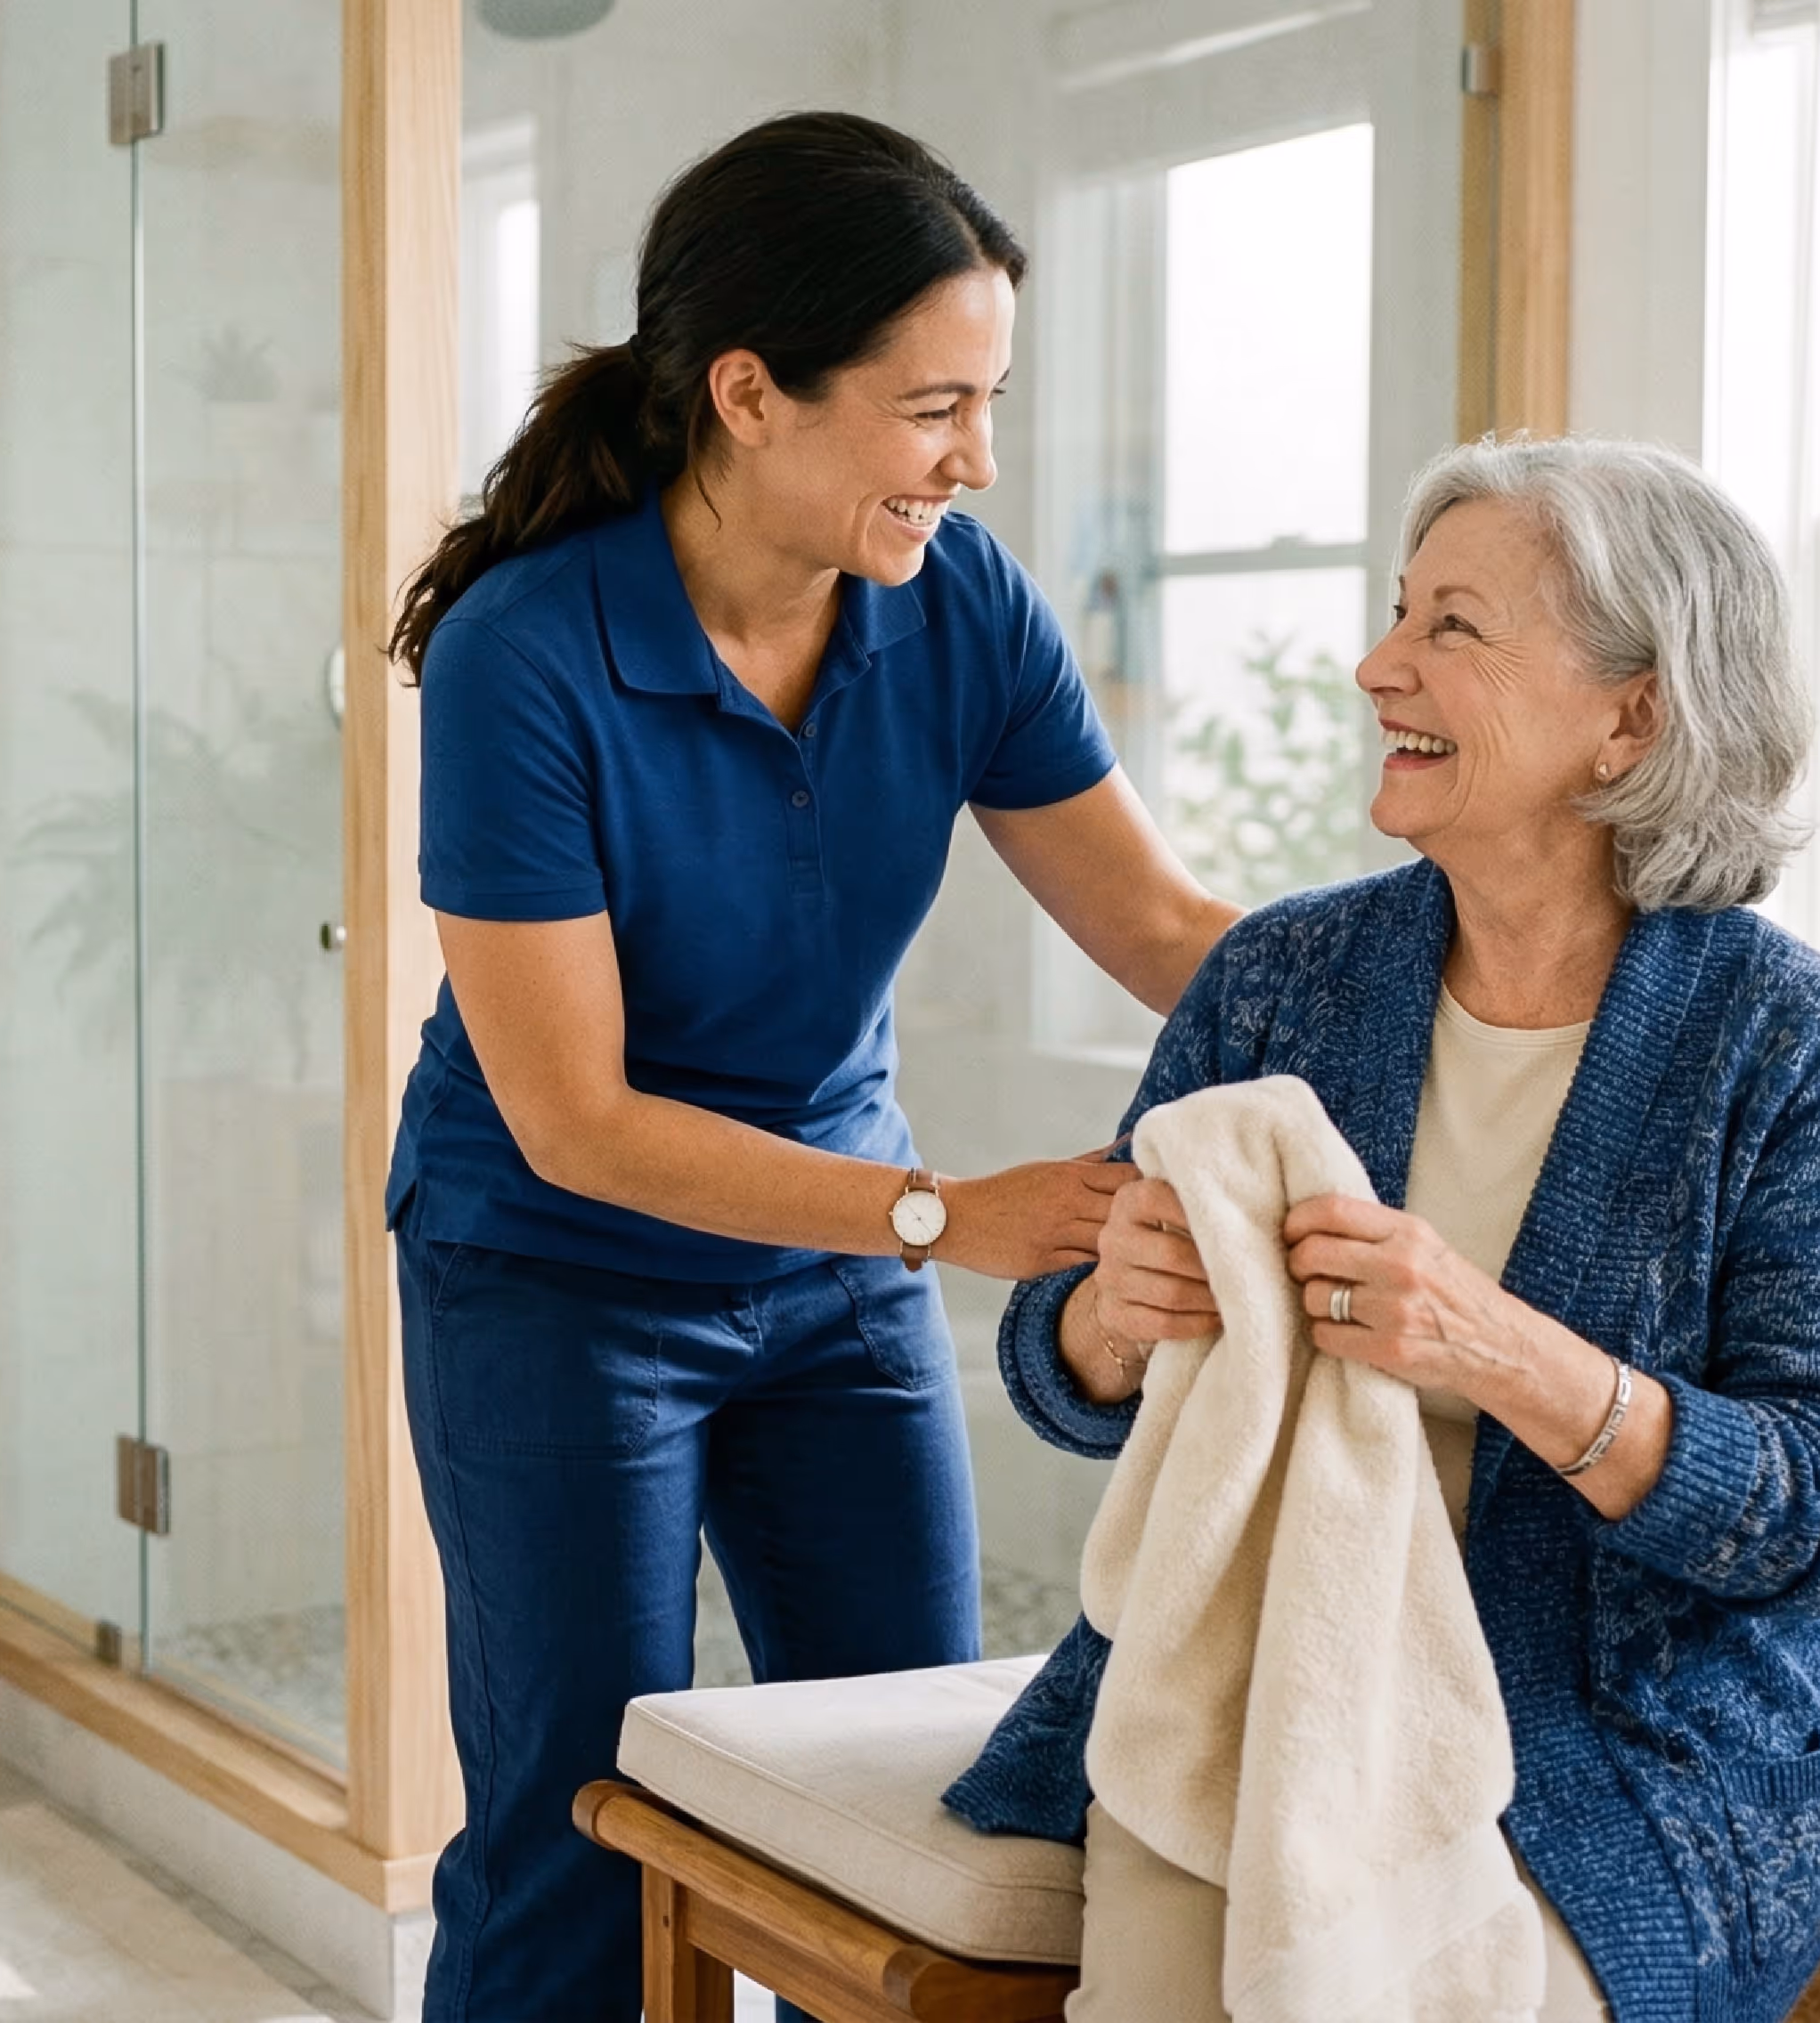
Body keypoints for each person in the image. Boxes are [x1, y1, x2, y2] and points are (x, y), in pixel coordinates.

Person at [382, 111, 1238, 2021]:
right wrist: (951, 1217)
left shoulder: (960, 602)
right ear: (749, 392)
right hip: (555, 1273)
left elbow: (1169, 932)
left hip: (833, 1273)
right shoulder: (531, 653)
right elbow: (573, 1119)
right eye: (934, 405)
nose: (978, 459)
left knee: (923, 1791)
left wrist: (1499, 987)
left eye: (990, 399)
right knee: (575, 1819)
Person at [947, 437, 1820, 2022]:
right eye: (1398, 612)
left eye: (1451, 628)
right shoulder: (1276, 981)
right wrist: (1106, 1314)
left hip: (1616, 1739)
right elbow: (1058, 1376)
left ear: (1633, 714)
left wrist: (1498, 1348)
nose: (1372, 663)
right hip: (1259, 1686)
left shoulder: (1788, 1041)